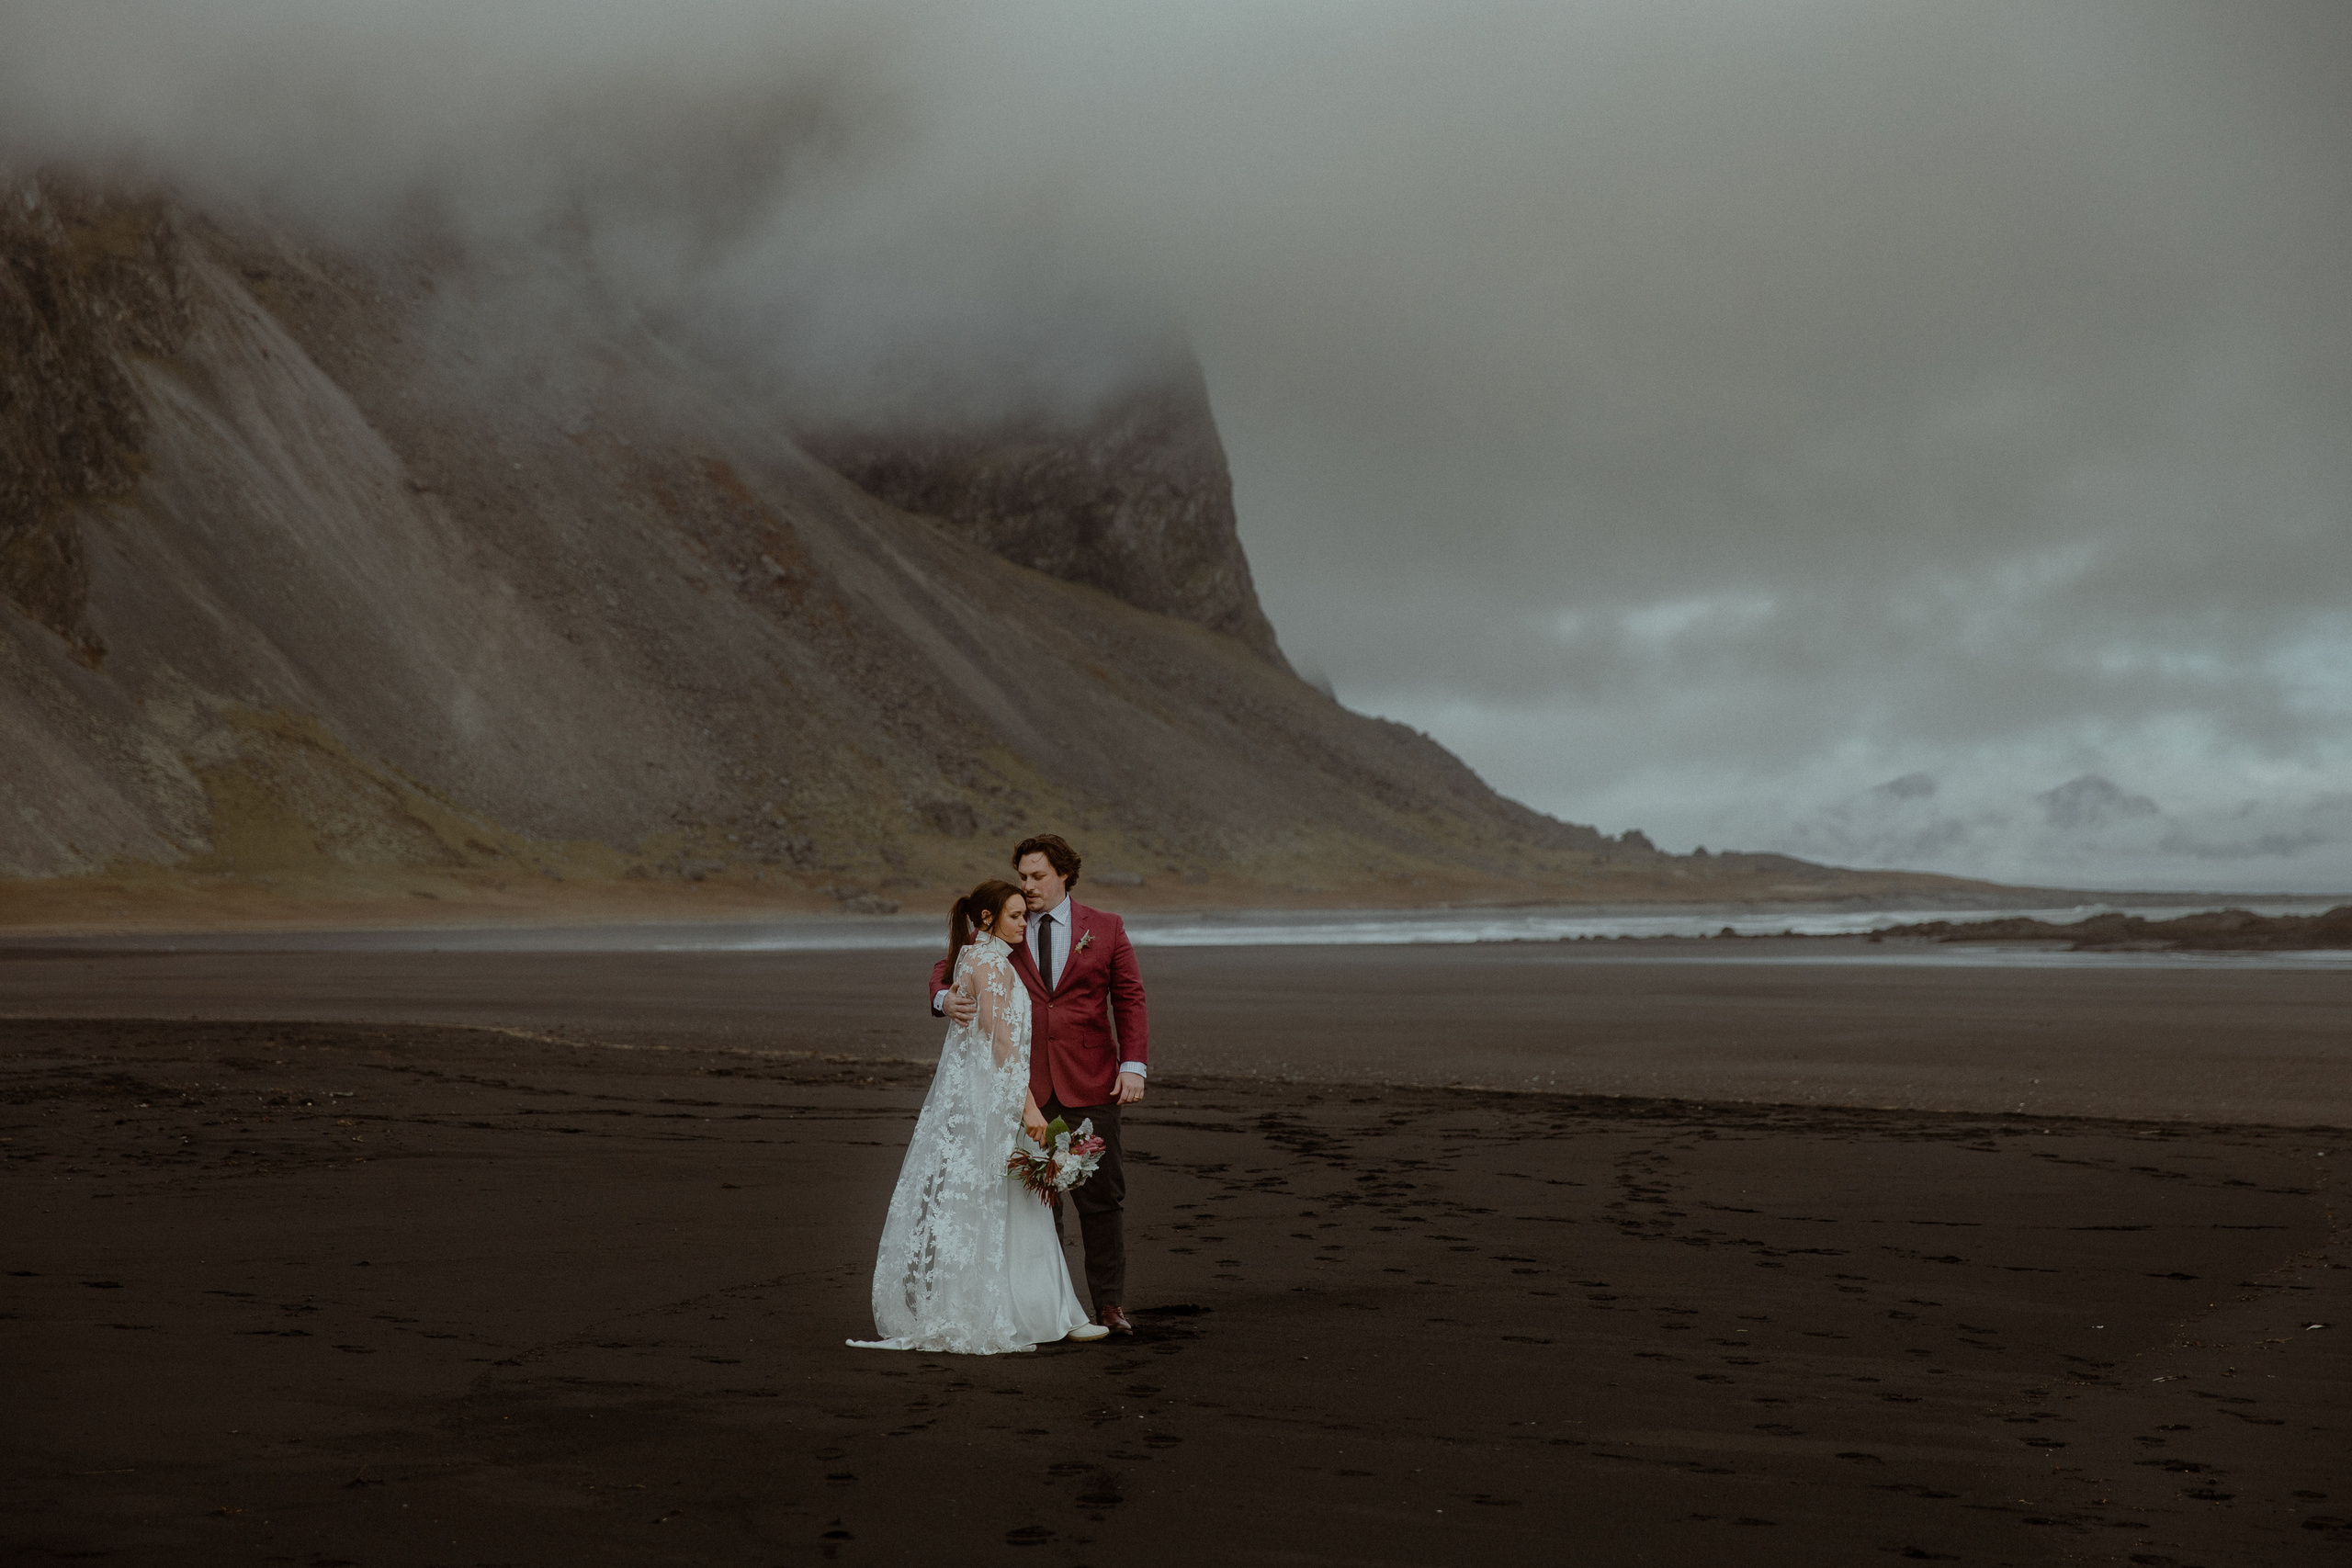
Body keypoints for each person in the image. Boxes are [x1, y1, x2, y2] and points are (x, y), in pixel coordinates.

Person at [851, 881, 1108, 1353]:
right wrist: (1029, 1108)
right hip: (998, 1099)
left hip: (986, 1096)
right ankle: (1034, 1313)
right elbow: (999, 1041)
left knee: (1008, 1204)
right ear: (987, 918)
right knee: (1014, 1202)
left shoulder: (976, 957)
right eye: (1015, 915)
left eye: (1024, 915)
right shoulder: (988, 963)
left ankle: (1046, 1311)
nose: (1024, 923)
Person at [933, 834, 1148, 1335]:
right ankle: (1050, 1310)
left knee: (1101, 1199)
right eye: (1023, 876)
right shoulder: (1004, 922)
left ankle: (1110, 1306)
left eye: (1038, 876)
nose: (1027, 886)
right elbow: (950, 967)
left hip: (1092, 1082)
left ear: (1064, 875)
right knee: (1035, 1203)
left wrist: (1133, 1064)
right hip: (1022, 1088)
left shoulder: (1107, 927)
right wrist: (944, 999)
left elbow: (1130, 997)